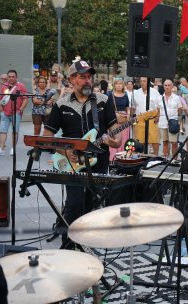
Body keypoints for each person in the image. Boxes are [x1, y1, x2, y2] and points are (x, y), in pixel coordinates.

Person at [43, 59, 120, 247]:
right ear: (72, 80)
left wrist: (113, 141)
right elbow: (47, 138)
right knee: (73, 204)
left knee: (93, 203)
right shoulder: (61, 105)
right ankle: (68, 245)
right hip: (72, 163)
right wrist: (65, 150)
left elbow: (116, 137)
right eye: (83, 77)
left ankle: (86, 243)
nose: (88, 81)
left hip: (99, 161)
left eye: (89, 77)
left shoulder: (103, 101)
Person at [0, 69, 29, 156]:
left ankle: (13, 148)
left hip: (16, 112)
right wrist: (1, 109)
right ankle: (1, 149)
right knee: (2, 131)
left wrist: (20, 109)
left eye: (13, 77)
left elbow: (26, 99)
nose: (11, 78)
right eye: (9, 77)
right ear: (7, 77)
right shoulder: (4, 86)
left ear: (16, 77)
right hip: (5, 113)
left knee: (14, 131)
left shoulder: (21, 86)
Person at [156, 79, 185, 158]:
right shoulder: (159, 98)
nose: (167, 87)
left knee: (174, 143)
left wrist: (177, 121)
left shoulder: (176, 98)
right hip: (162, 123)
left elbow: (180, 110)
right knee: (165, 142)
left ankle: (174, 160)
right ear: (163, 86)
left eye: (169, 85)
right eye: (165, 85)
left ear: (172, 86)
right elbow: (158, 111)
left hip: (173, 123)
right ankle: (165, 159)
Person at [132, 77, 161, 155]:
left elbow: (159, 107)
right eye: (141, 81)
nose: (142, 83)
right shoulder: (135, 93)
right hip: (139, 120)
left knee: (154, 141)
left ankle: (155, 158)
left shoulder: (155, 92)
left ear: (148, 82)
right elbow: (133, 108)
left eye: (144, 81)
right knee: (140, 142)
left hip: (152, 120)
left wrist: (158, 117)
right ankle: (141, 159)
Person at [108, 78, 131, 160]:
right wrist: (115, 114)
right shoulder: (110, 95)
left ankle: (123, 157)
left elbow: (127, 107)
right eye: (117, 84)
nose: (118, 85)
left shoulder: (125, 95)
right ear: (114, 85)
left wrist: (128, 113)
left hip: (124, 120)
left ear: (123, 85)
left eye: (120, 84)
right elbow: (107, 108)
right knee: (114, 138)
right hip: (114, 120)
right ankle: (113, 158)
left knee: (124, 139)